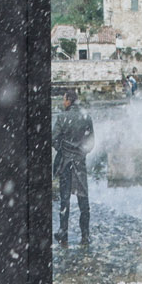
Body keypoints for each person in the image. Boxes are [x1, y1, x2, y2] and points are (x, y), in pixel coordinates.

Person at [53, 89, 94, 248]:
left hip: (65, 162)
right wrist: (81, 152)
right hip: (80, 162)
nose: (63, 103)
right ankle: (85, 233)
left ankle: (63, 231)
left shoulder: (62, 117)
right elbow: (92, 142)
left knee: (65, 198)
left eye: (64, 100)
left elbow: (54, 138)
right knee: (83, 197)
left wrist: (62, 149)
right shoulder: (86, 117)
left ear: (69, 101)